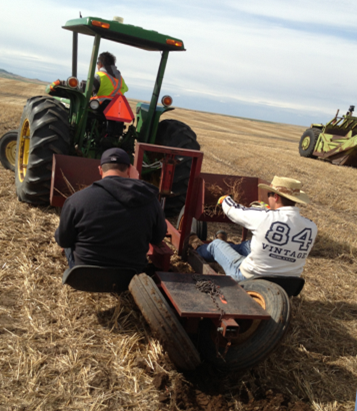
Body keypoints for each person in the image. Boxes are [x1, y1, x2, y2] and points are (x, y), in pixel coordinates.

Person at [55, 148, 167, 273]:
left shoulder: (76, 200)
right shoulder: (149, 200)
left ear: (100, 170)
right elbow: (157, 238)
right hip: (131, 276)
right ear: (130, 170)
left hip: (85, 276)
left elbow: (63, 240)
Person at [190, 176, 317, 282]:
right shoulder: (312, 227)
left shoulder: (264, 217)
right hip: (288, 281)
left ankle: (197, 248)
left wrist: (225, 200)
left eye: (269, 194)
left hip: (249, 277)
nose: (268, 198)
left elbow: (234, 211)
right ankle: (227, 246)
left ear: (276, 197)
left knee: (216, 245)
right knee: (249, 245)